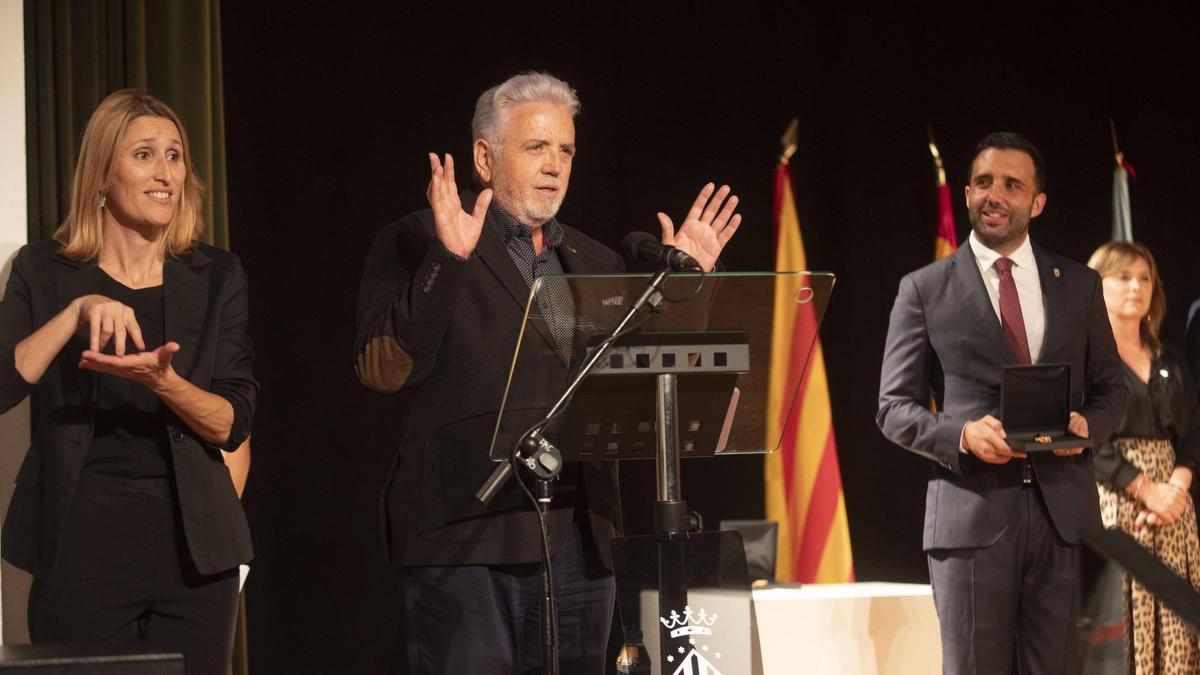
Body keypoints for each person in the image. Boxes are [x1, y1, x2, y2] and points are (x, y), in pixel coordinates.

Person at [354, 71, 740, 674]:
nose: (555, 165)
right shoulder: (417, 239)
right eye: (536, 148)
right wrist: (449, 260)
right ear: (484, 157)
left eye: (566, 150)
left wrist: (687, 297)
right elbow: (385, 369)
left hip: (580, 540)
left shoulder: (597, 260)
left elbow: (639, 387)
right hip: (464, 536)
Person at [0, 89, 256, 674]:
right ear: (101, 172)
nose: (165, 172)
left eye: (174, 155)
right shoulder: (44, 270)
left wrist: (164, 383)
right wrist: (74, 313)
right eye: (144, 154)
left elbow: (233, 419)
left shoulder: (217, 275)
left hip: (196, 556)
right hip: (80, 549)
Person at [877, 131, 1127, 674]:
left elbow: (1113, 388)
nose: (995, 195)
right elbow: (893, 407)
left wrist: (1087, 427)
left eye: (1012, 185)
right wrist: (961, 436)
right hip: (970, 517)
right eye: (984, 182)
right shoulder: (923, 288)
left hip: (1061, 517)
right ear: (966, 193)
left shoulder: (1079, 285)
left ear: (1036, 203)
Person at [1087, 240, 1200, 674]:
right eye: (1123, 277)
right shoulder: (1085, 360)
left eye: (1144, 278)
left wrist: (1175, 486)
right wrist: (1145, 489)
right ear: (1097, 286)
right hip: (1118, 506)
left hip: (1174, 510)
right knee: (1125, 633)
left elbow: (1193, 432)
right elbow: (1085, 438)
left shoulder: (1170, 357)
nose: (1136, 286)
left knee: (1177, 632)